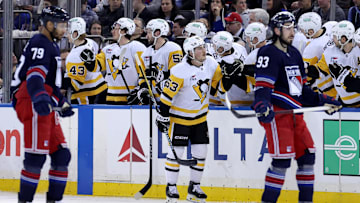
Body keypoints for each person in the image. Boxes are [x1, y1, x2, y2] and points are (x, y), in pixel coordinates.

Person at [253, 11, 342, 203]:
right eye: (288, 28)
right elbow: (263, 87)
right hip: (278, 113)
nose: (292, 31)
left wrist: (324, 99)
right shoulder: (268, 52)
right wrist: (262, 104)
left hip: (296, 114)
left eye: (293, 27)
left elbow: (301, 91)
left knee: (307, 157)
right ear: (277, 30)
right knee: (281, 162)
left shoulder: (294, 53)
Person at [10, 6, 74, 203]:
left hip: (42, 97)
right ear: (48, 24)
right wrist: (39, 98)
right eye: (61, 25)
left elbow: (49, 82)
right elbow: (35, 76)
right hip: (31, 98)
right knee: (35, 157)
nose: (64, 29)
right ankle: (25, 201)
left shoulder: (50, 44)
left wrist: (61, 102)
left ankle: (53, 200)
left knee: (62, 155)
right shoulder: (40, 41)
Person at [156, 36, 227, 203]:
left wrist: (229, 77)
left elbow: (218, 85)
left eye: (203, 47)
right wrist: (163, 115)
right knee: (176, 154)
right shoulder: (179, 70)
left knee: (201, 153)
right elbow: (167, 96)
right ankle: (171, 188)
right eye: (199, 48)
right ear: (190, 52)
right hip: (180, 119)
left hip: (200, 118)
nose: (204, 51)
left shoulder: (211, 63)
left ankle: (194, 187)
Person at [94, 17, 147, 105]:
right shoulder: (107, 49)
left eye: (116, 28)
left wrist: (141, 90)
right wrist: (88, 59)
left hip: (130, 98)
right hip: (110, 97)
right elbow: (95, 67)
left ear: (123, 31)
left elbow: (143, 73)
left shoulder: (138, 48)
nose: (112, 31)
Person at [137, 18, 183, 103]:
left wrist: (159, 75)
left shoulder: (173, 49)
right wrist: (143, 90)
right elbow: (142, 77)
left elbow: (177, 75)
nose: (147, 36)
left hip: (169, 101)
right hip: (153, 101)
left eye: (149, 32)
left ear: (157, 33)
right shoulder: (146, 53)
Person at [65, 17, 107, 104]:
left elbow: (76, 84)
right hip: (100, 87)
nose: (67, 35)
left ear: (75, 34)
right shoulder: (90, 42)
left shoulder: (75, 56)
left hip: (87, 94)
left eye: (69, 33)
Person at [317, 20, 360, 107]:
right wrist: (307, 70)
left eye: (335, 36)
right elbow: (319, 70)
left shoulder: (358, 52)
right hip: (343, 103)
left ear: (343, 39)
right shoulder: (330, 51)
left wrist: (344, 77)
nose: (332, 39)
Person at [211, 31, 252, 106]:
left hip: (232, 95)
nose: (212, 46)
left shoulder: (227, 62)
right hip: (245, 90)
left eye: (215, 45)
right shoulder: (239, 48)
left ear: (221, 48)